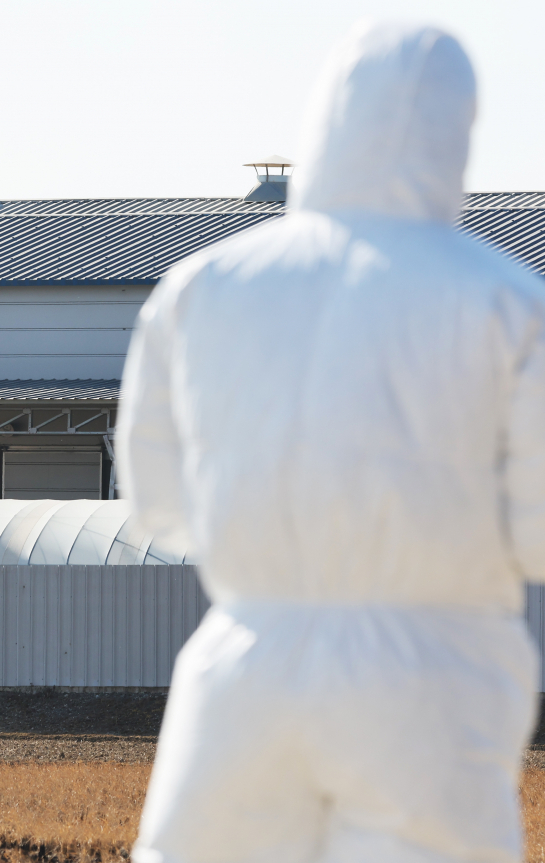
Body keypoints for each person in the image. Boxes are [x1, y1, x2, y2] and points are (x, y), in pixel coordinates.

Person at [119, 21, 545, 863]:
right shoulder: (507, 300)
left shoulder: (201, 286)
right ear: (457, 132)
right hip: (435, 670)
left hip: (248, 661)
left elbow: (159, 505)